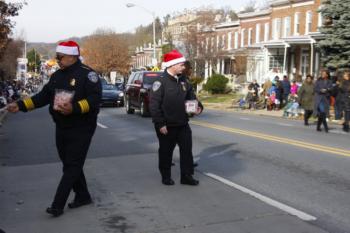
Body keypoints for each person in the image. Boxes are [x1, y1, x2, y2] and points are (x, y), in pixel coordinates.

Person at [6, 41, 102, 217]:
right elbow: (43, 97)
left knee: (72, 165)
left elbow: (95, 99)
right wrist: (20, 105)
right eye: (57, 57)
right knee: (69, 163)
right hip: (61, 125)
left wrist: (74, 108)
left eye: (61, 57)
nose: (58, 60)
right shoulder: (57, 76)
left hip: (81, 127)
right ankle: (83, 195)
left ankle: (57, 205)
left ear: (72, 56)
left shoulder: (88, 75)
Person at [150, 50, 201, 186]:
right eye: (181, 65)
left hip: (183, 124)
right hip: (167, 125)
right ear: (172, 65)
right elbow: (154, 106)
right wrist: (160, 124)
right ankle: (166, 176)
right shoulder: (160, 82)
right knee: (166, 152)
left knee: (186, 151)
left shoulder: (184, 80)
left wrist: (198, 107)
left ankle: (186, 176)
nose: (183, 67)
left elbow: (192, 97)